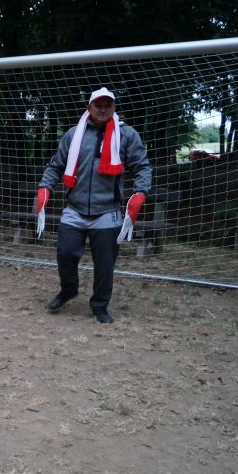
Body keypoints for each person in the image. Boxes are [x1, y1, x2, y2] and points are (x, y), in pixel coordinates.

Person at [36, 87, 152, 323]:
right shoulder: (73, 134)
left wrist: (141, 192)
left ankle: (100, 305)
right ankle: (69, 290)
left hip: (107, 210)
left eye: (107, 105)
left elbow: (142, 166)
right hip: (74, 208)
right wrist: (44, 187)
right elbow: (55, 166)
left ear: (114, 107)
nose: (103, 109)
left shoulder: (127, 135)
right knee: (65, 253)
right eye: (98, 105)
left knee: (105, 264)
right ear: (89, 107)